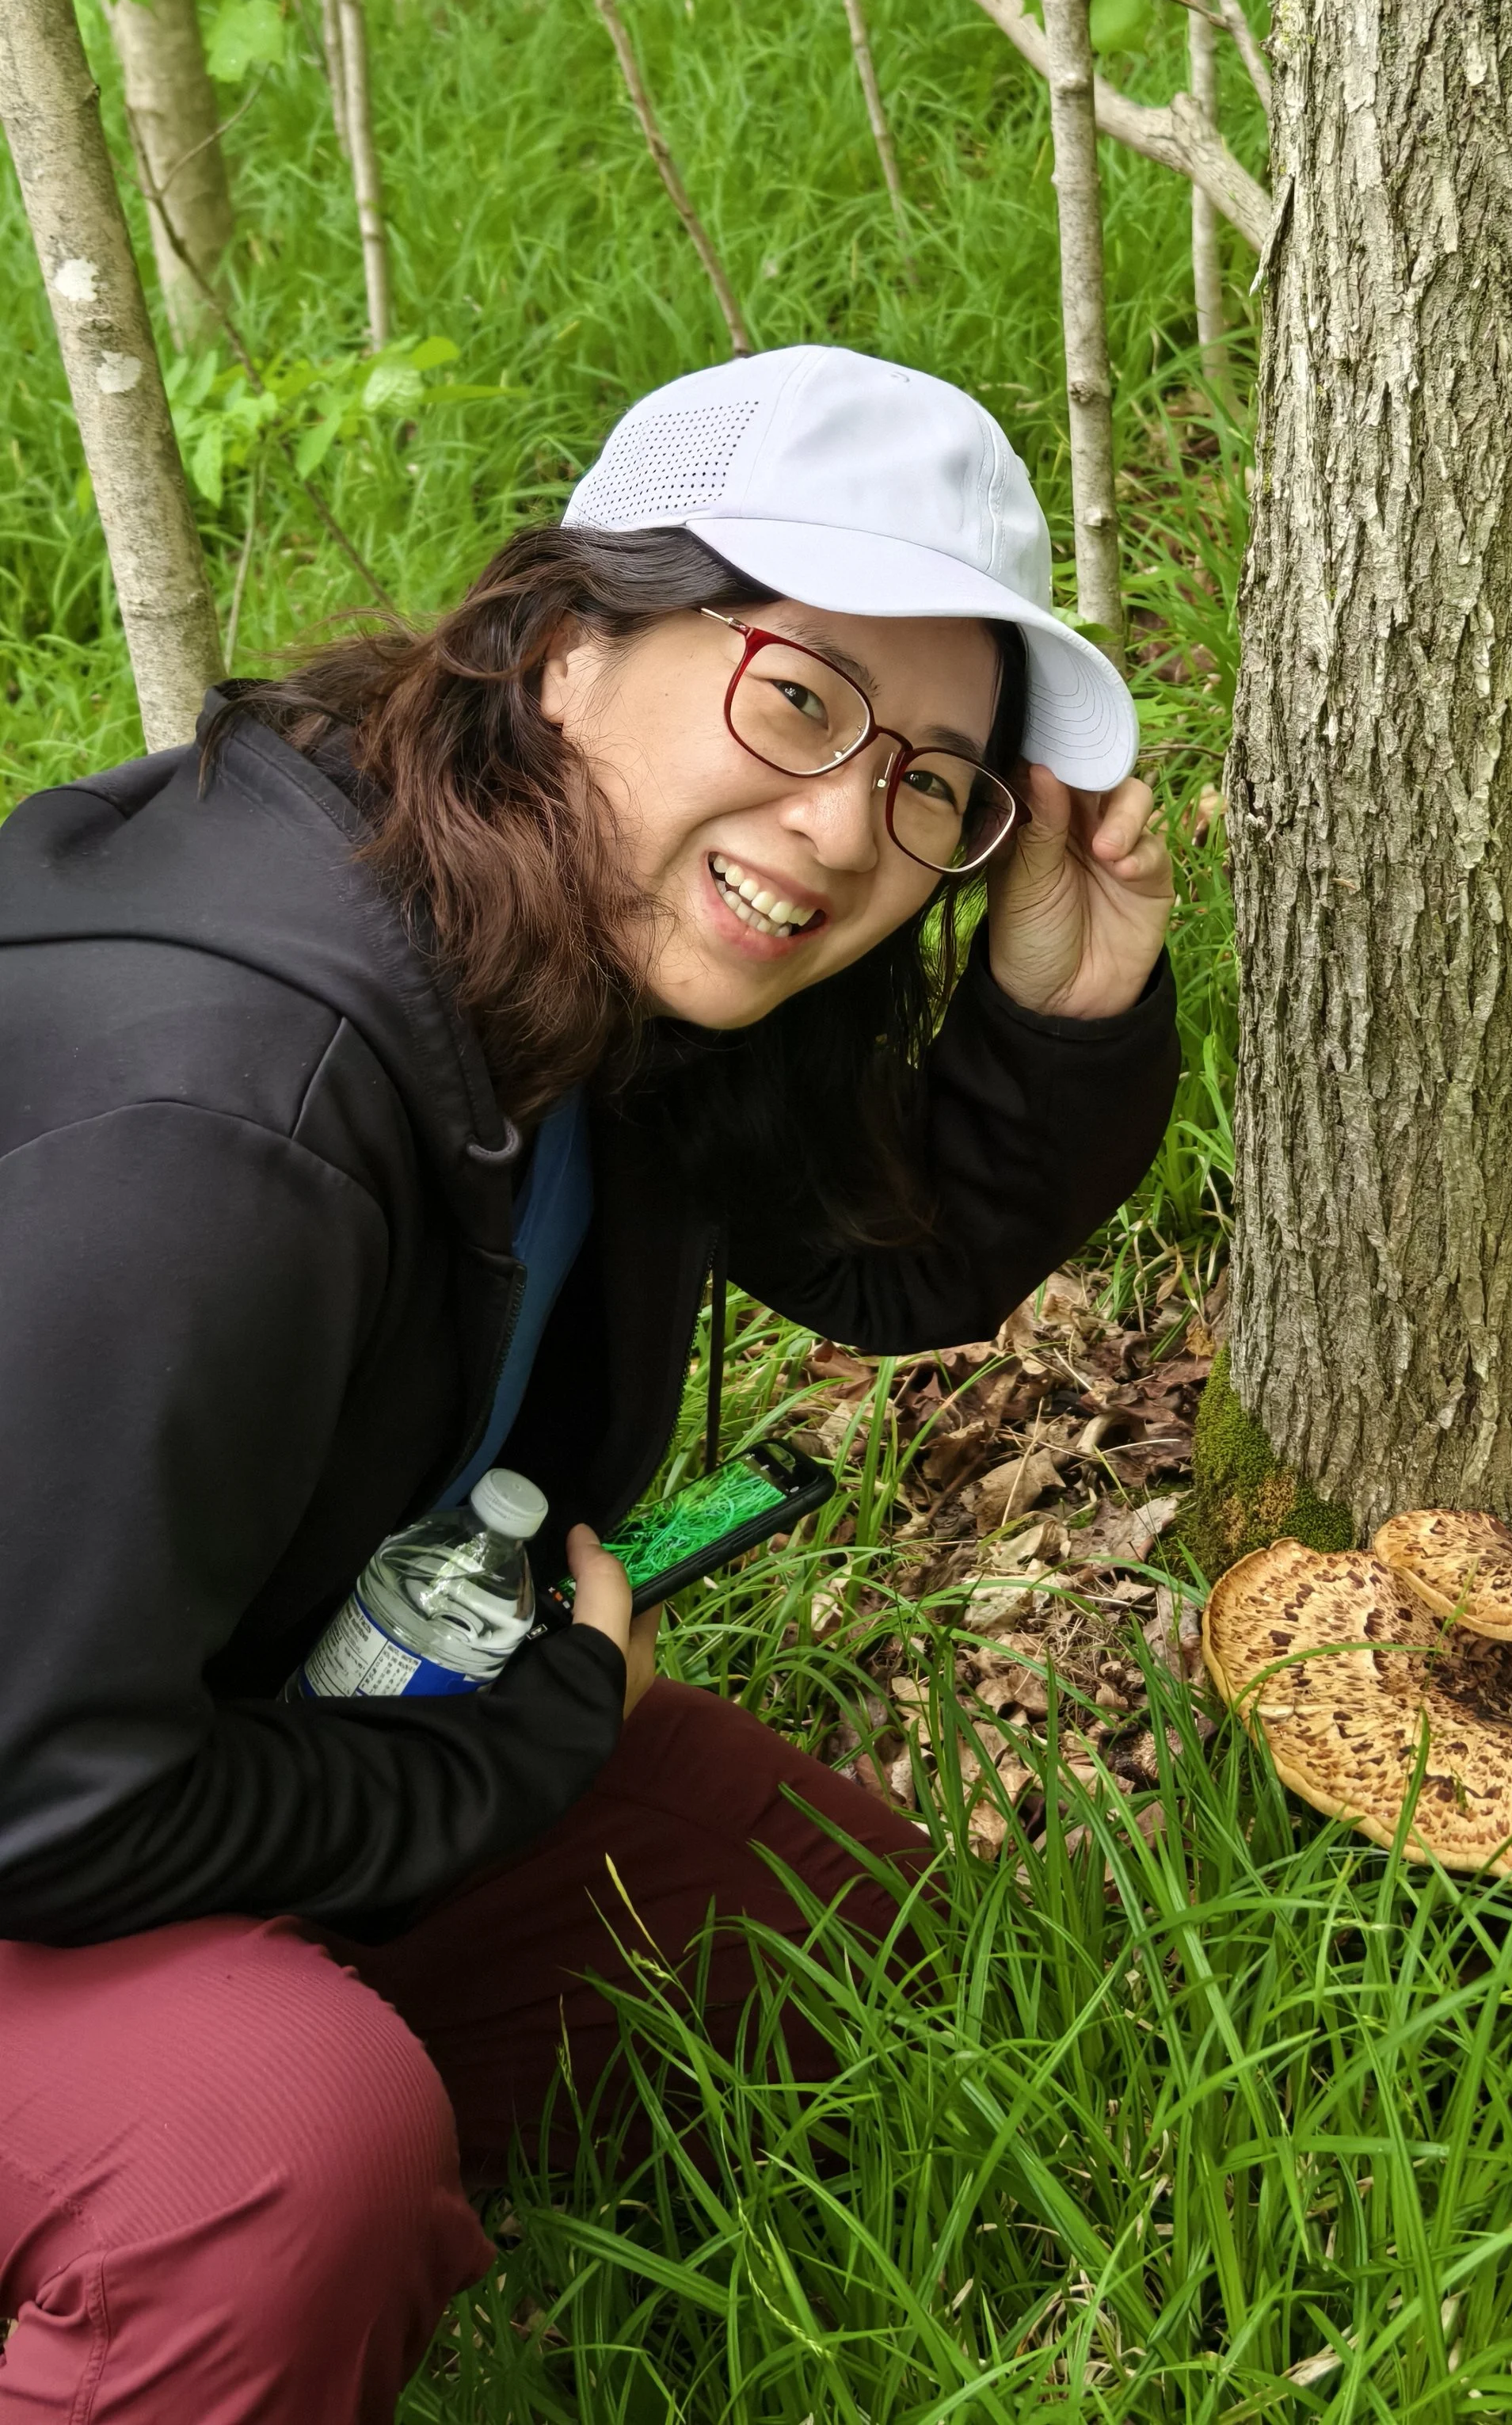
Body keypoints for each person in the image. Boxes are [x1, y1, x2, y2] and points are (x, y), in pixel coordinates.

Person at [0, 346, 1178, 2419]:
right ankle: (194, 2212)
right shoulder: (234, 1114)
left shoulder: (568, 942)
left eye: (928, 780)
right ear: (564, 642)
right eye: (796, 692)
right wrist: (533, 1733)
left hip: (204, 1721)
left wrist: (1058, 1004)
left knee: (827, 1932)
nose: (840, 828)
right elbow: (47, 1802)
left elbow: (883, 1253)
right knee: (284, 2152)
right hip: (41, 1803)